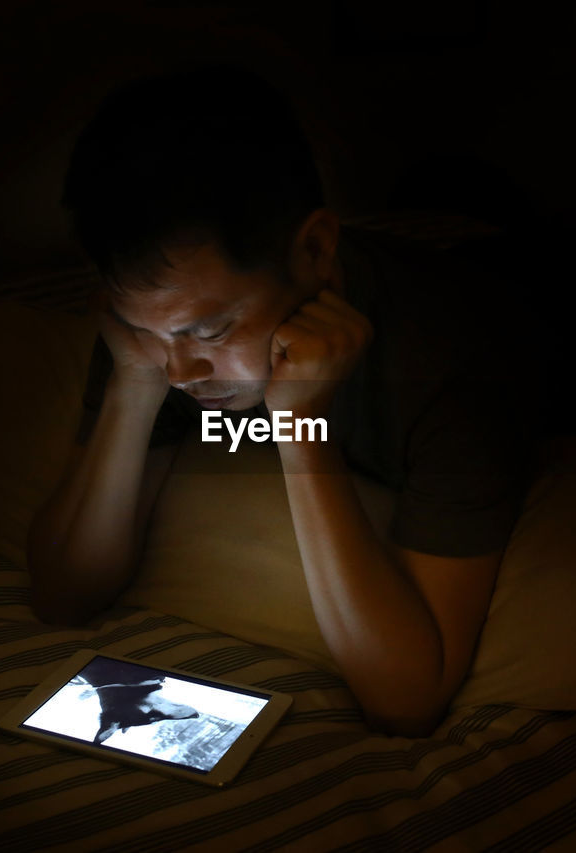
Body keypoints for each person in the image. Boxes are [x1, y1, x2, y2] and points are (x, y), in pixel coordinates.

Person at [27, 62, 542, 738]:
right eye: (147, 332)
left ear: (317, 249)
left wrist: (300, 420)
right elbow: (64, 593)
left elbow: (406, 696)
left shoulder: (454, 364)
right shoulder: (157, 335)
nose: (180, 369)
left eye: (210, 331)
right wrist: (132, 384)